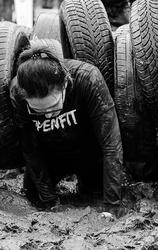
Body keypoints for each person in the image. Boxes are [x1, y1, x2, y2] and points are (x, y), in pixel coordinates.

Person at [10, 44, 129, 210]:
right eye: (39, 111)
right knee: (32, 194)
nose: (49, 115)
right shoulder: (17, 91)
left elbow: (111, 145)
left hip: (88, 152)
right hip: (53, 155)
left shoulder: (87, 78)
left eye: (53, 107)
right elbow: (30, 148)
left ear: (65, 84)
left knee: (97, 191)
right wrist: (49, 200)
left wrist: (111, 206)